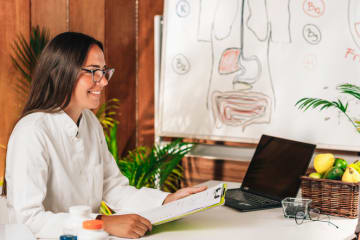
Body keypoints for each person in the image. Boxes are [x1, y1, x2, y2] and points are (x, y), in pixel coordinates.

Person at [4, 32, 206, 239]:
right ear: (60, 73)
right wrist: (100, 222)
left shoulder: (90, 123)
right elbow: (27, 219)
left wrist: (167, 201)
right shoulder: (32, 131)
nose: (103, 82)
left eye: (104, 71)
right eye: (93, 72)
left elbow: (114, 188)